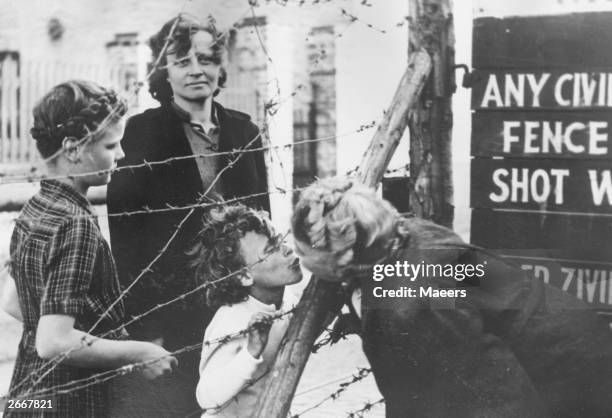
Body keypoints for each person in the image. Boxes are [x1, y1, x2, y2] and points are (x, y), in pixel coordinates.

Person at [292, 176, 612, 418]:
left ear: (340, 256)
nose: (300, 259)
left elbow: (493, 397)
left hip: (569, 385)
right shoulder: (408, 235)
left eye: (302, 251)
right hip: (581, 352)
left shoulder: (408, 303)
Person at [106, 14, 270, 415]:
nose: (197, 70)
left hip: (238, 304)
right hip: (173, 308)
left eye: (206, 59)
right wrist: (146, 329)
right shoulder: (143, 133)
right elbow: (126, 239)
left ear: (219, 66)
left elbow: (263, 221)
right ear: (164, 72)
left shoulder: (244, 133)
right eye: (182, 61)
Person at [5, 80, 177, 418]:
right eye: (111, 146)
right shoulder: (76, 223)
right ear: (72, 149)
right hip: (70, 403)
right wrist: (136, 352)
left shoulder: (35, 207)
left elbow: (14, 303)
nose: (122, 155)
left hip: (26, 397)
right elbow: (53, 342)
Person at [189, 204, 302, 417]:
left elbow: (299, 336)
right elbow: (206, 396)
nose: (286, 248)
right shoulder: (232, 321)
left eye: (279, 240)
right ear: (244, 276)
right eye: (270, 249)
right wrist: (251, 352)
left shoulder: (287, 302)